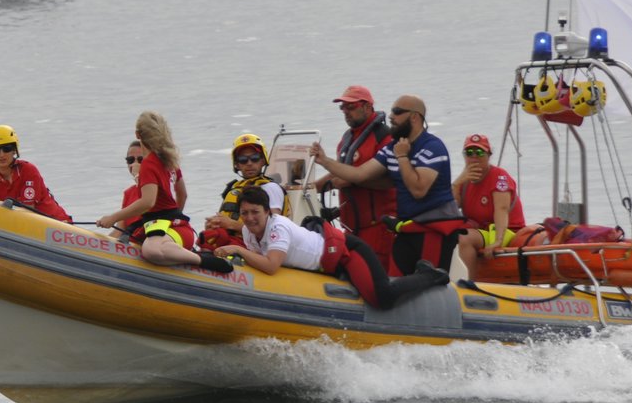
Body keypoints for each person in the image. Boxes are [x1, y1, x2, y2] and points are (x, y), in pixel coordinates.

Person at [310, 94, 464, 276]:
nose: (391, 116)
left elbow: (418, 190)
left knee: (430, 283)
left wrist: (402, 157)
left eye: (397, 112)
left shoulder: (432, 147)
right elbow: (360, 174)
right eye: (391, 111)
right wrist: (325, 161)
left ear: (415, 117)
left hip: (433, 229)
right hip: (407, 229)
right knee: (393, 282)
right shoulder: (393, 148)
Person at [217, 187, 448, 308]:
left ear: (268, 212)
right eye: (245, 213)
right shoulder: (248, 231)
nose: (249, 218)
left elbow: (271, 265)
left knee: (382, 297)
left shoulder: (279, 227)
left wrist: (237, 250)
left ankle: (429, 275)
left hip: (347, 253)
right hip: (324, 267)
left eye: (255, 212)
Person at [96, 111, 230, 272]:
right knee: (147, 247)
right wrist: (174, 219)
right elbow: (183, 195)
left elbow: (148, 202)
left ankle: (204, 261)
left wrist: (113, 217)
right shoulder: (169, 159)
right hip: (178, 229)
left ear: (138, 134)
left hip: (173, 232)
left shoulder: (149, 164)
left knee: (150, 250)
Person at [315, 85, 396, 271]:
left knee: (377, 276)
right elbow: (340, 173)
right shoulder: (346, 140)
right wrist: (311, 187)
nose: (345, 112)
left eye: (351, 107)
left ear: (367, 106)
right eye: (343, 107)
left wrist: (354, 180)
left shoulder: (385, 138)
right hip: (351, 228)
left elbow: (392, 181)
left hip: (379, 228)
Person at [454, 133, 525, 273]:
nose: (474, 157)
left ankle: (467, 283)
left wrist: (498, 241)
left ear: (488, 155)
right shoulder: (465, 181)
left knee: (463, 238)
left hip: (507, 231)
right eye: (469, 153)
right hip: (482, 231)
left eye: (479, 152)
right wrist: (456, 184)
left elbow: (501, 209)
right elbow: (449, 208)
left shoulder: (499, 177)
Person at [201, 132, 285, 249]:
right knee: (206, 238)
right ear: (237, 164)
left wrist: (231, 225)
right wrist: (214, 224)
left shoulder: (270, 188)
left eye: (254, 158)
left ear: (262, 161)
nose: (249, 163)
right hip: (229, 239)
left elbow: (273, 228)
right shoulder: (234, 188)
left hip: (255, 246)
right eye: (243, 159)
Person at [0, 124, 72, 222]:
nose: (1, 154)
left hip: (57, 225)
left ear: (14, 150)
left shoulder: (28, 170)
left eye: (7, 148)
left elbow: (27, 212)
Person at [117, 139, 147, 237]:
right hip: (130, 244)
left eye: (140, 160)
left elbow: (149, 200)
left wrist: (137, 175)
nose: (134, 164)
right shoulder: (128, 193)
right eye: (130, 160)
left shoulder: (158, 187)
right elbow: (120, 229)